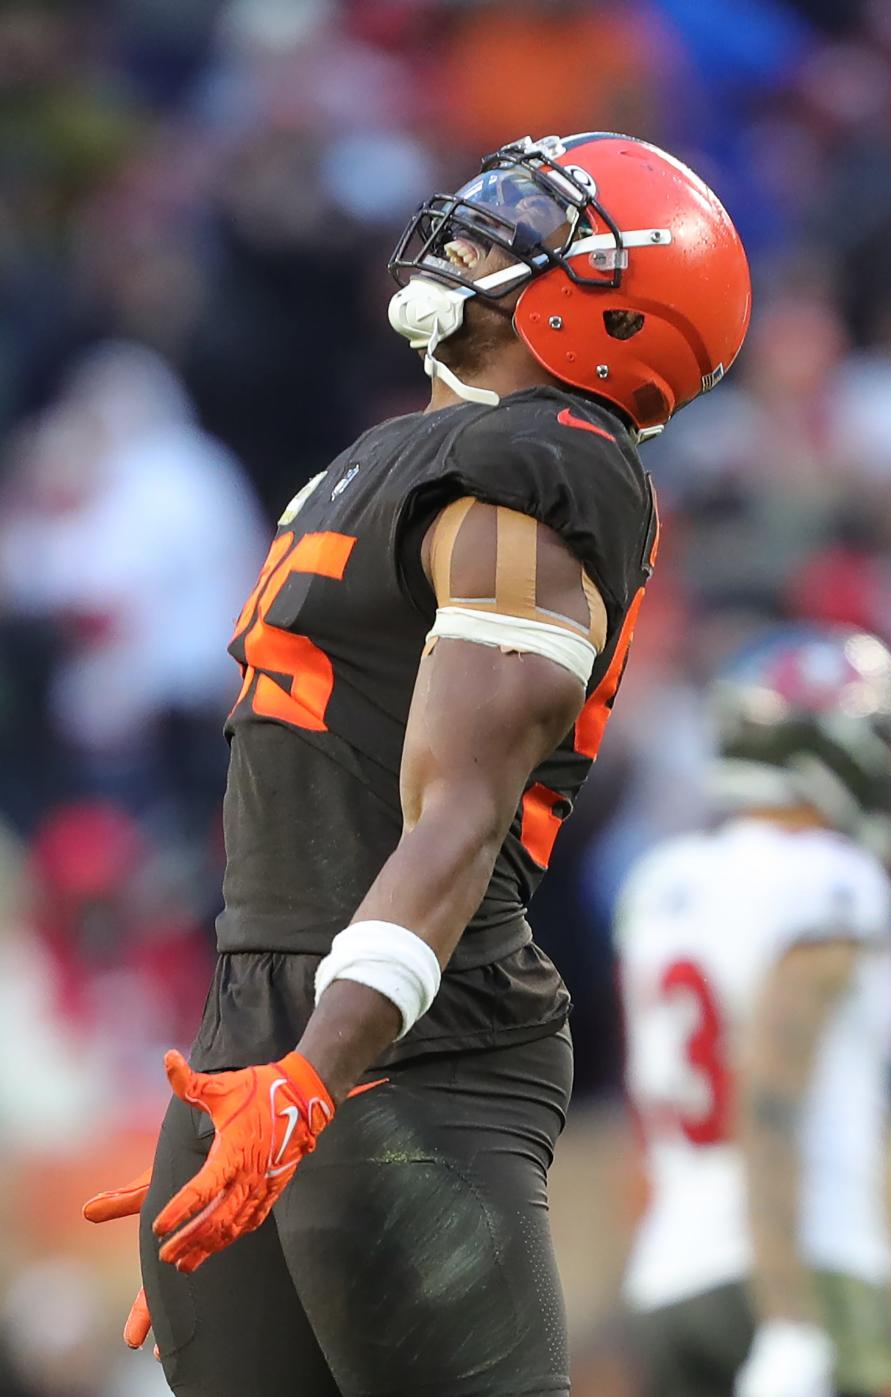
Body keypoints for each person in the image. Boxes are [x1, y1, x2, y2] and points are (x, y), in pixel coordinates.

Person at [83, 132, 750, 1396]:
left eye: (525, 224)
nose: (474, 232)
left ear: (608, 305)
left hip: (403, 1051)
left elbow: (458, 813)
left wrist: (310, 1077)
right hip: (260, 1036)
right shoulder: (379, 456)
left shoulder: (540, 463)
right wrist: (250, 1083)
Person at [616, 624, 891, 1397]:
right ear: (823, 747)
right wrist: (791, 1319)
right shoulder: (827, 878)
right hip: (799, 1267)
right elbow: (768, 1089)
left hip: (666, 1282)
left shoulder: (664, 881)